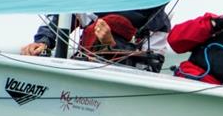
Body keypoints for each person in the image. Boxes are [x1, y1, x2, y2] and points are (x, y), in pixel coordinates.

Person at [20, 5, 170, 72]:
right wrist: (43, 41)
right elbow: (66, 15)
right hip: (80, 71)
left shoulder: (158, 23)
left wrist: (111, 45)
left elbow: (150, 69)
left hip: (119, 86)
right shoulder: (97, 0)